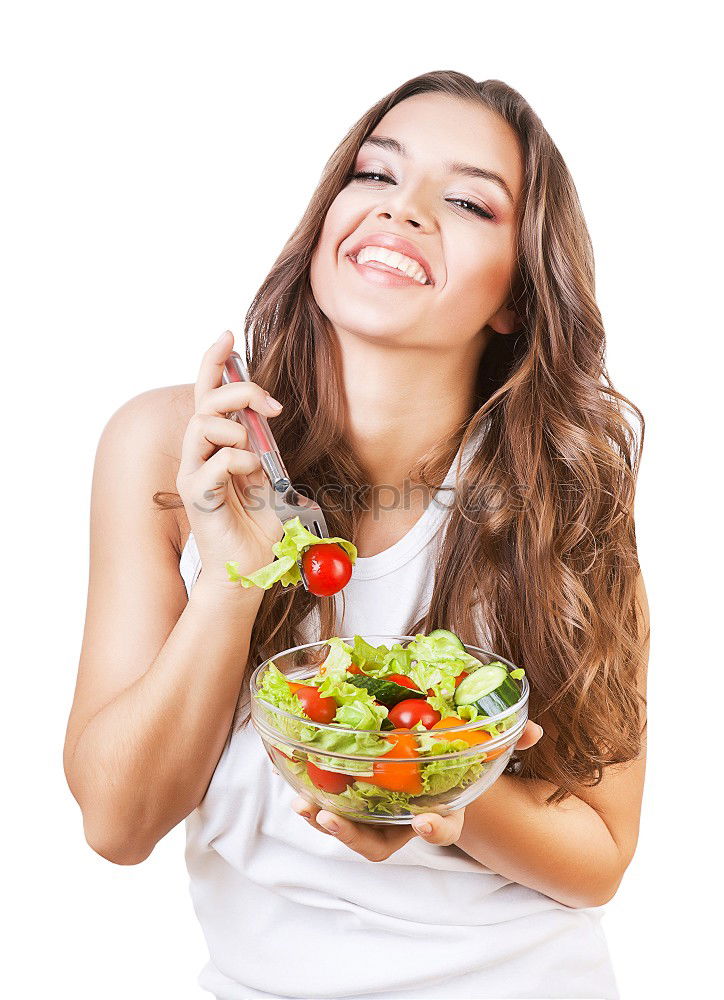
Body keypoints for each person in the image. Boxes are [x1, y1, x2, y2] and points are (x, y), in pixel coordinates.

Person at [63, 71, 649, 1000]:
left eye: (465, 201)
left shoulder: (560, 491)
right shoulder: (170, 451)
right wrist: (234, 581)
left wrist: (433, 785)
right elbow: (117, 822)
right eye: (376, 175)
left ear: (515, 296)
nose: (404, 211)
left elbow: (603, 854)